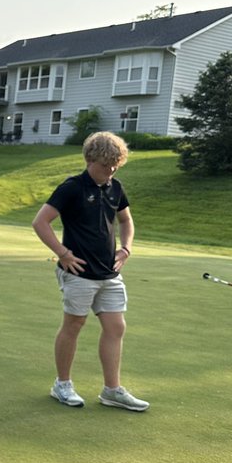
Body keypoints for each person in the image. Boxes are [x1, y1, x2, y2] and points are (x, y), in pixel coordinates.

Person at [32, 131, 149, 412]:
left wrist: (126, 248)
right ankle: (62, 384)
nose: (109, 172)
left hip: (108, 272)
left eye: (114, 167)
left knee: (116, 326)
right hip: (79, 272)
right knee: (74, 324)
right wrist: (63, 253)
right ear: (89, 160)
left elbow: (126, 221)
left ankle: (112, 390)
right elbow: (41, 222)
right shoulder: (72, 187)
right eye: (105, 166)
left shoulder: (115, 187)